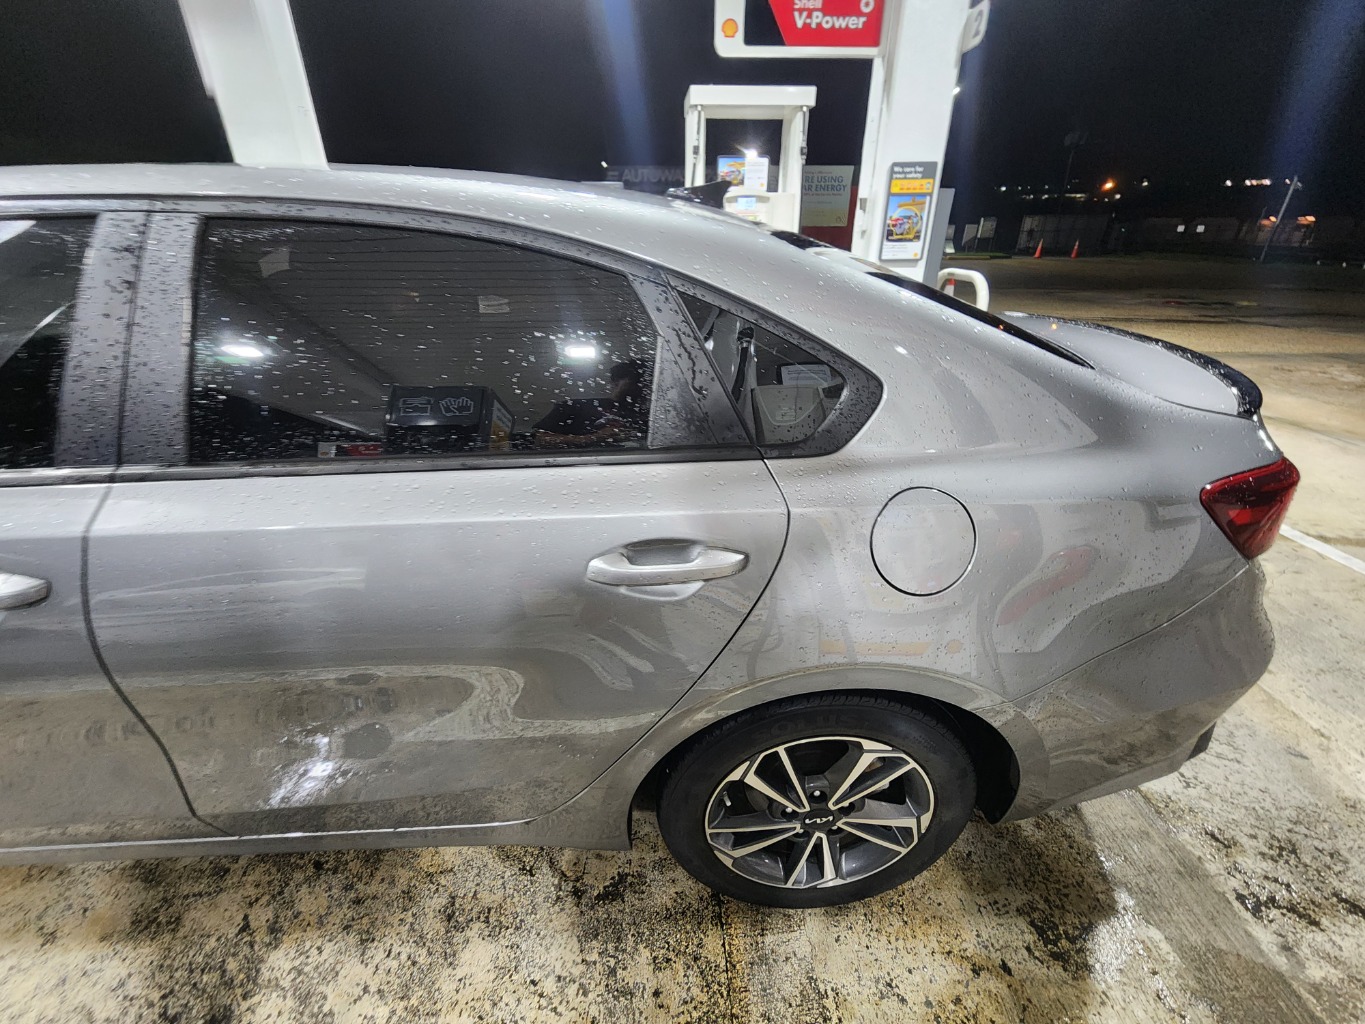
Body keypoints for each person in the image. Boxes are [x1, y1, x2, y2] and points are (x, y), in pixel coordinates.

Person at [533, 359, 649, 449]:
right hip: (582, 468)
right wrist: (592, 438)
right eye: (635, 381)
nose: (642, 387)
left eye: (647, 384)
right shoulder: (575, 406)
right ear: (616, 381)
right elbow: (540, 440)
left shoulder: (650, 418)